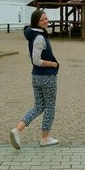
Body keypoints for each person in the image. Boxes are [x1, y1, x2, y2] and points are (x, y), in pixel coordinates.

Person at [10, 10, 60, 150]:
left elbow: (31, 55)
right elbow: (36, 60)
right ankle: (45, 138)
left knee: (38, 106)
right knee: (49, 107)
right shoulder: (39, 37)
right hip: (47, 77)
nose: (45, 21)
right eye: (42, 20)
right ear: (36, 22)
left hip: (36, 76)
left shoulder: (32, 34)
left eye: (46, 18)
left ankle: (17, 130)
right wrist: (53, 64)